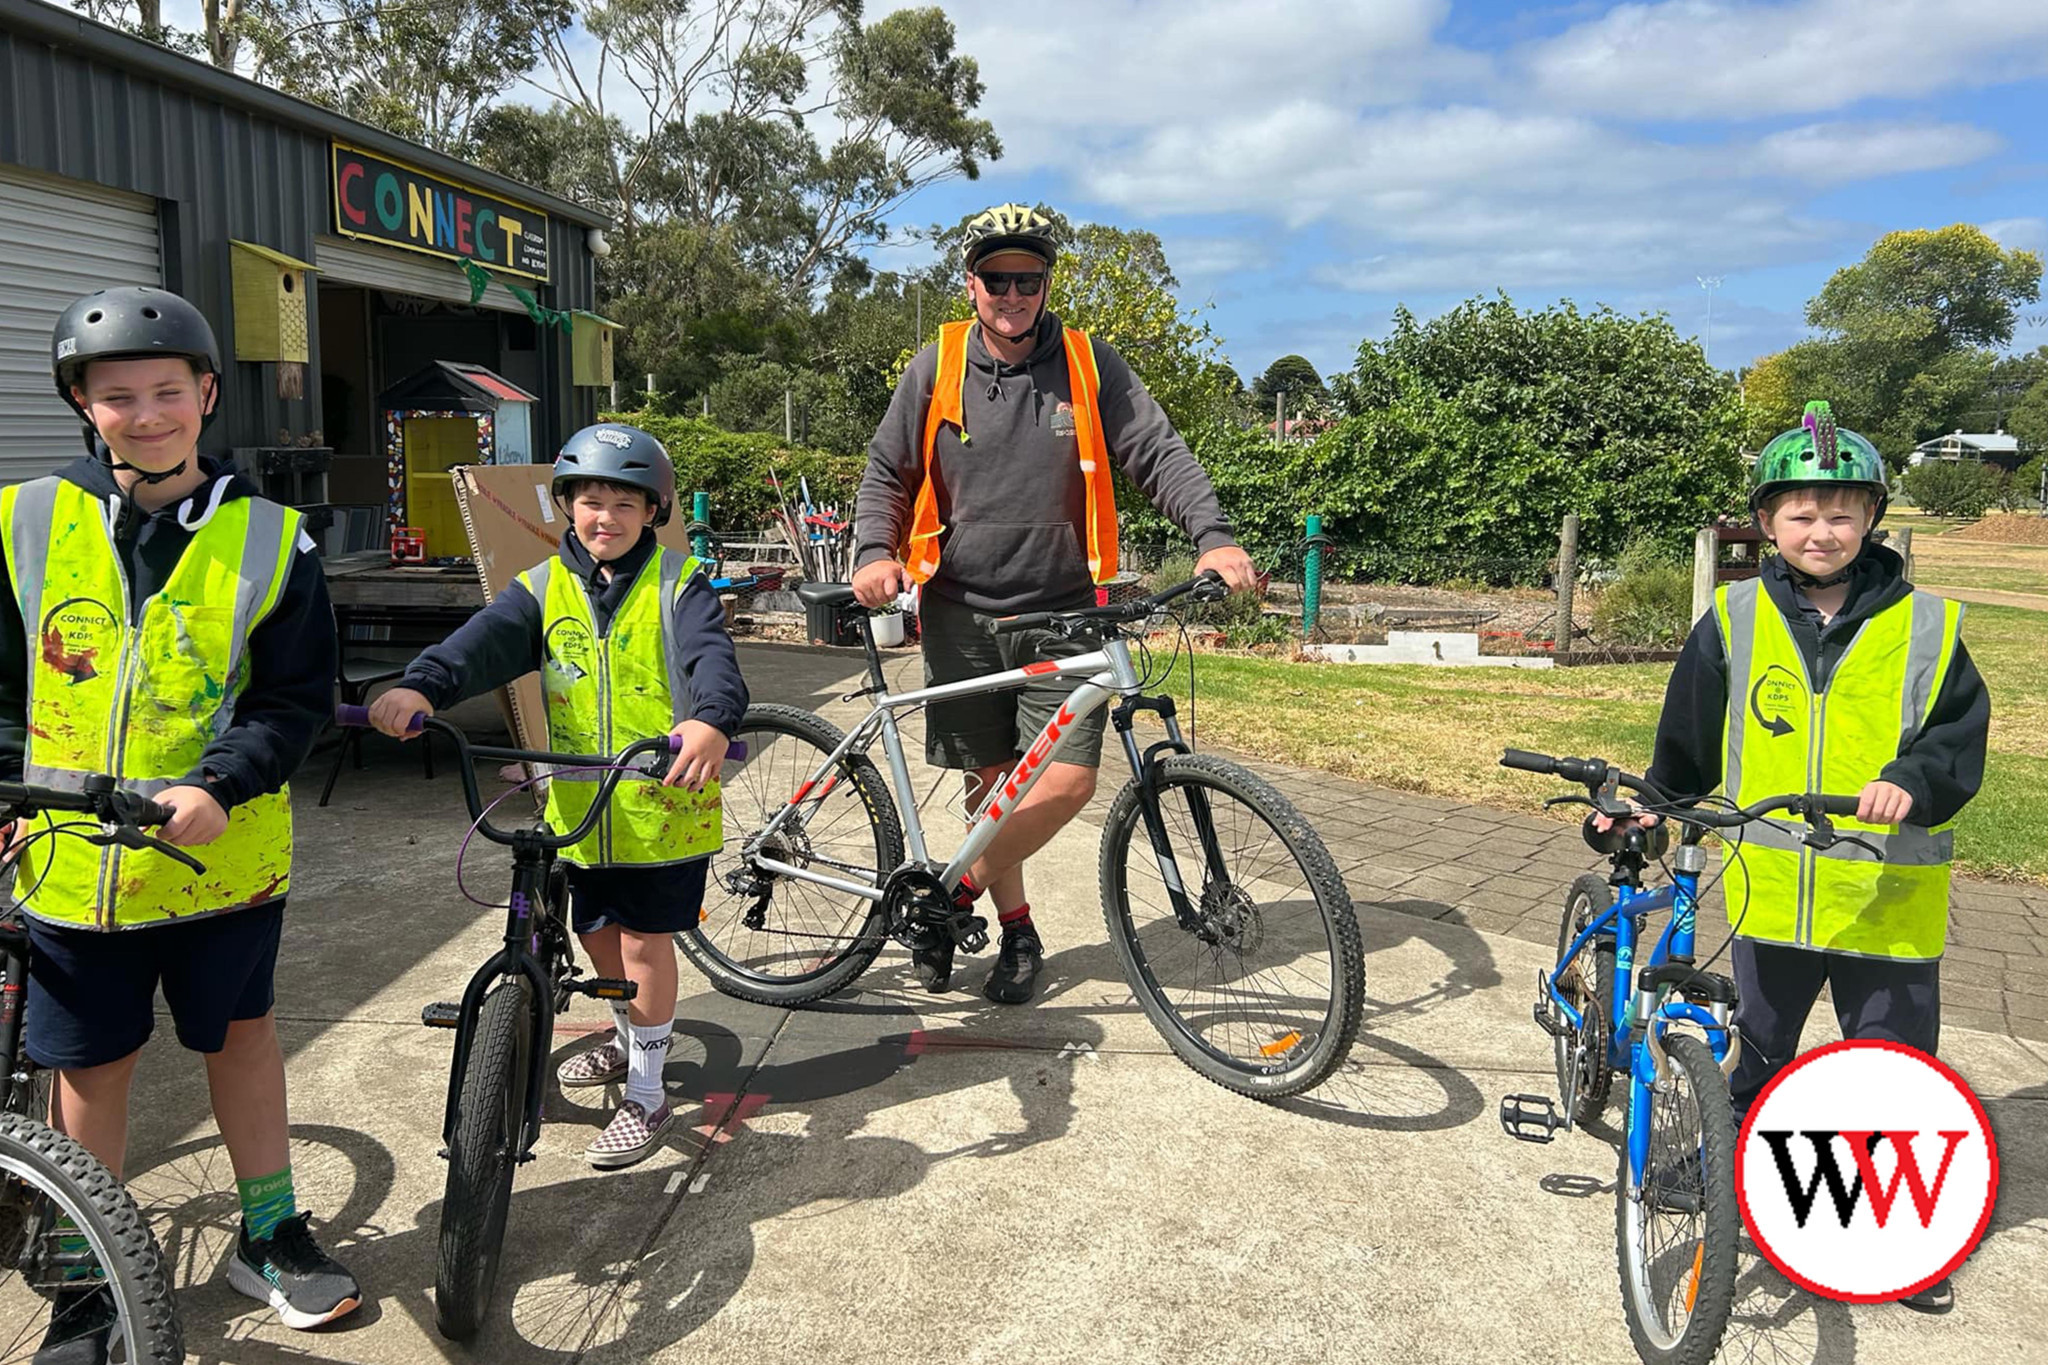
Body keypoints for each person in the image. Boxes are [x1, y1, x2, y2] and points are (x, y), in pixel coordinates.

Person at [1, 286, 358, 1359]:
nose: (146, 413)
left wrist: (222, 783)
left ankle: (271, 1231)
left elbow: (293, 700)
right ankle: (86, 1273)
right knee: (90, 1071)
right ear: (83, 404)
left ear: (207, 395)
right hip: (69, 865)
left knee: (240, 1040)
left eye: (167, 391)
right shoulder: (23, 521)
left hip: (220, 862)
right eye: (118, 396)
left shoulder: (273, 541)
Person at [851, 202, 1258, 1006]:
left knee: (1064, 783)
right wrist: (873, 550)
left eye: (1027, 278)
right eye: (997, 278)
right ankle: (1017, 926)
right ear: (971, 284)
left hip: (1065, 611)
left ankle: (949, 897)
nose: (1012, 293)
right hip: (961, 609)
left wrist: (1211, 533)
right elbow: (887, 470)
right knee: (989, 777)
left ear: (1045, 283)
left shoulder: (1087, 362)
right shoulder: (936, 363)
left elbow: (1156, 452)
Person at [1633, 401, 1989, 1315]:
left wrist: (1914, 775)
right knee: (1752, 1046)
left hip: (1885, 900)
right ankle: (1723, 1164)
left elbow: (1958, 738)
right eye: (1800, 512)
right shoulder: (1734, 617)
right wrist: (1655, 806)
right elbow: (1688, 740)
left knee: (1890, 1066)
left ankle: (1898, 1237)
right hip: (1777, 889)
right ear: (1766, 523)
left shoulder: (1930, 625)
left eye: (1840, 511)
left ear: (1872, 516)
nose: (1820, 529)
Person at [370, 423, 746, 1169]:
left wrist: (709, 720)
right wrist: (421, 684)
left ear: (653, 511)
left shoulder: (680, 583)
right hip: (579, 815)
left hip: (660, 811)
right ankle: (625, 1034)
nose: (604, 518)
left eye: (624, 504)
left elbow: (715, 664)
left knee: (642, 944)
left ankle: (647, 1091)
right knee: (597, 939)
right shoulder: (541, 589)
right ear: (566, 505)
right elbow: (478, 645)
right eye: (589, 501)